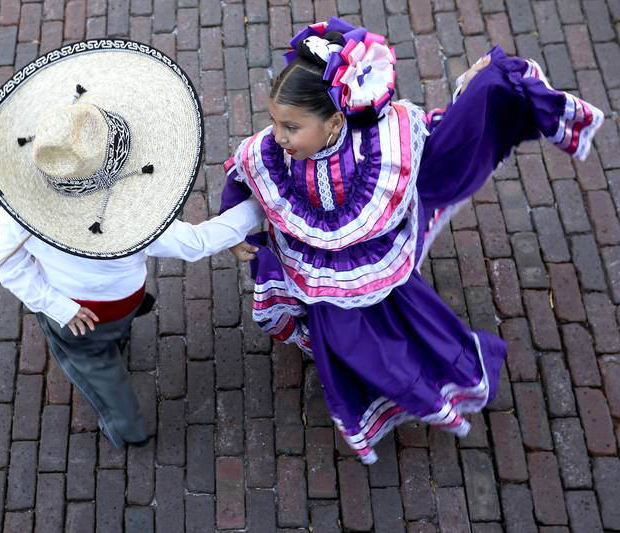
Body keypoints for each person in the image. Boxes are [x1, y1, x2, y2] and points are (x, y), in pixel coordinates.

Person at [221, 18, 604, 463]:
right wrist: (236, 232)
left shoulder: (380, 144)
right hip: (316, 265)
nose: (279, 136)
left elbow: (435, 149)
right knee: (338, 332)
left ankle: (419, 382)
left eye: (291, 126)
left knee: (367, 333)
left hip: (372, 255)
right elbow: (242, 182)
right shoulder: (271, 151)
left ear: (333, 123)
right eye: (275, 122)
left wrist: (482, 86)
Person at [0, 40, 264, 447]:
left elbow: (7, 266)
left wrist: (58, 307)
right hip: (126, 299)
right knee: (118, 327)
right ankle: (121, 338)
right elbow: (199, 242)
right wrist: (257, 208)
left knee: (93, 365)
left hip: (77, 310)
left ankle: (124, 427)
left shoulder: (18, 214)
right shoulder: (143, 222)